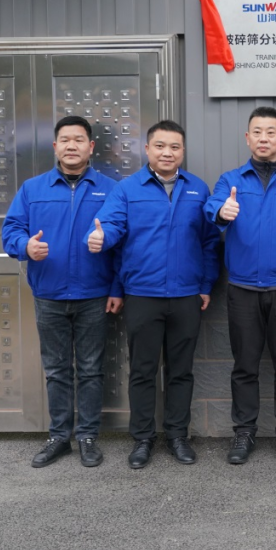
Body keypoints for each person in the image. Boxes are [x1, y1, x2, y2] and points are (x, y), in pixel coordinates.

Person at [86, 120, 219, 469]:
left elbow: (209, 242)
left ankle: (177, 436)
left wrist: (205, 285)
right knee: (143, 371)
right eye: (160, 146)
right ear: (147, 149)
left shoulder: (198, 189)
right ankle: (143, 439)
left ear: (183, 151)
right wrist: (100, 237)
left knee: (181, 371)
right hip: (142, 295)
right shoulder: (128, 189)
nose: (167, 153)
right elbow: (110, 227)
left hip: (186, 295)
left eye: (174, 147)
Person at [2, 115, 122, 468]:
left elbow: (123, 241)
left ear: (91, 147)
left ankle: (88, 436)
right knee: (56, 370)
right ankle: (59, 437)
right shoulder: (33, 189)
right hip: (49, 295)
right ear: (55, 147)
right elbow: (11, 230)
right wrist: (25, 246)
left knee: (90, 369)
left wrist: (116, 287)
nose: (72, 146)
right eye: (65, 140)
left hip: (93, 295)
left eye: (79, 139)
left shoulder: (111, 189)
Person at [204, 107, 276, 465]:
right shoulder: (231, 180)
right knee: (245, 366)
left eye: (271, 132)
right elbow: (212, 208)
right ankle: (244, 431)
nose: (263, 138)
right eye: (257, 131)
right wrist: (221, 212)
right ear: (247, 138)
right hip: (243, 289)